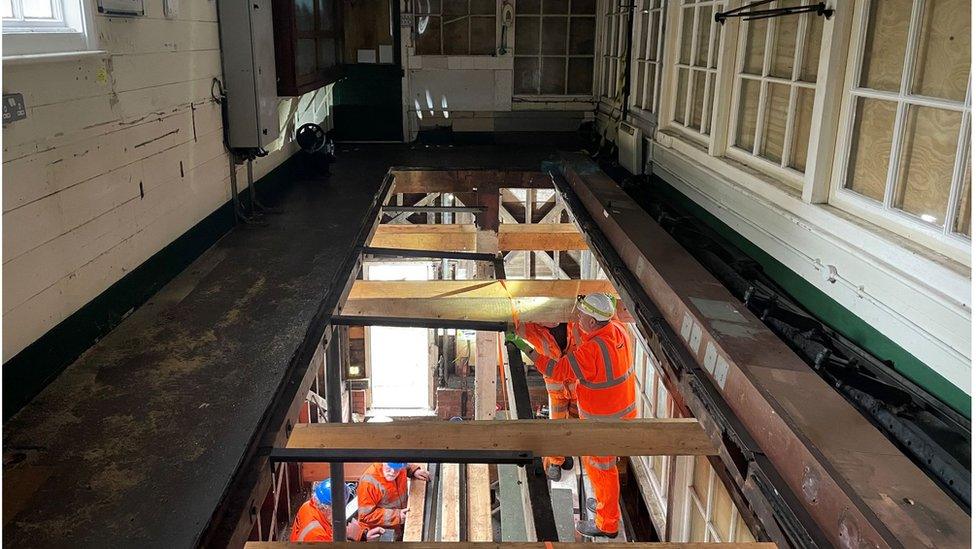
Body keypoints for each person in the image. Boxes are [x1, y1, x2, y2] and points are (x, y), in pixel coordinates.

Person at [516, 292, 636, 538]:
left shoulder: (591, 349)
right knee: (601, 469)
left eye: (581, 314)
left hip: (602, 421)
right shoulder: (618, 329)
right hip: (622, 413)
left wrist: (527, 351)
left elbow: (556, 369)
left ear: (592, 322)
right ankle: (603, 505)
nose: (577, 317)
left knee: (602, 470)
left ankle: (607, 525)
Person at [511, 321, 581, 481]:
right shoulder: (533, 329)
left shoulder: (573, 321)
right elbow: (514, 323)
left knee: (575, 424)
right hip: (557, 388)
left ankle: (567, 453)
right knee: (557, 426)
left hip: (577, 385)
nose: (550, 320)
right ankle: (555, 462)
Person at [291, 478, 386, 542]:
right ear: (328, 508)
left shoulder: (308, 506)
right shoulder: (317, 535)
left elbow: (329, 528)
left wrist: (362, 536)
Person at [356, 462, 431, 533]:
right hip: (380, 532)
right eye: (389, 467)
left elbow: (406, 466)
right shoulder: (368, 483)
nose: (393, 472)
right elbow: (366, 516)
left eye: (397, 468)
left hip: (401, 524)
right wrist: (396, 516)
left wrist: (414, 470)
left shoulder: (401, 466)